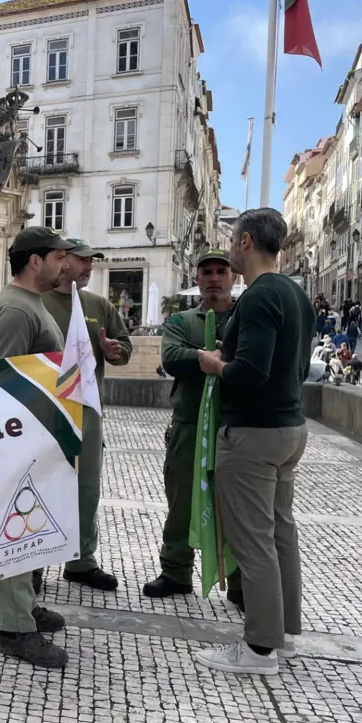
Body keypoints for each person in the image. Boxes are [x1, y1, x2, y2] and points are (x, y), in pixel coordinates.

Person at [195, 208, 314, 676]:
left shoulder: (261, 296)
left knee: (256, 541)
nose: (227, 249)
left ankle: (259, 648)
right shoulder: (294, 293)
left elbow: (251, 372)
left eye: (231, 240)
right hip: (290, 428)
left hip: (253, 433)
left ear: (245, 241)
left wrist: (214, 363)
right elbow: (292, 366)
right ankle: (282, 632)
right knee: (281, 531)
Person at [0, 226, 72, 668]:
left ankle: (26, 606)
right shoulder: (16, 310)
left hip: (42, 436)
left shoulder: (31, 304)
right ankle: (14, 629)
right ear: (35, 261)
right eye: (58, 259)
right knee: (15, 530)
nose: (65, 266)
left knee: (33, 527)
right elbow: (2, 381)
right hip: (21, 439)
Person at [142, 247, 242, 606]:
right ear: (196, 279)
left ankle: (240, 581)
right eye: (207, 272)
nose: (214, 278)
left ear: (233, 277)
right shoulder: (181, 322)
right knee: (182, 501)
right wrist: (204, 357)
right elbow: (170, 357)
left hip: (234, 428)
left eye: (221, 271)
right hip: (188, 425)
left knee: (237, 507)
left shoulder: (244, 318)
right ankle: (175, 571)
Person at [41, 238, 133, 592]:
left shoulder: (99, 305)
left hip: (89, 411)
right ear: (64, 262)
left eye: (93, 262)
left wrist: (115, 350)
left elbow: (124, 347)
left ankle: (81, 561)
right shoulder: (41, 301)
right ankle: (33, 562)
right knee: (43, 482)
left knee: (87, 485)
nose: (90, 267)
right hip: (48, 410)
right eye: (84, 261)